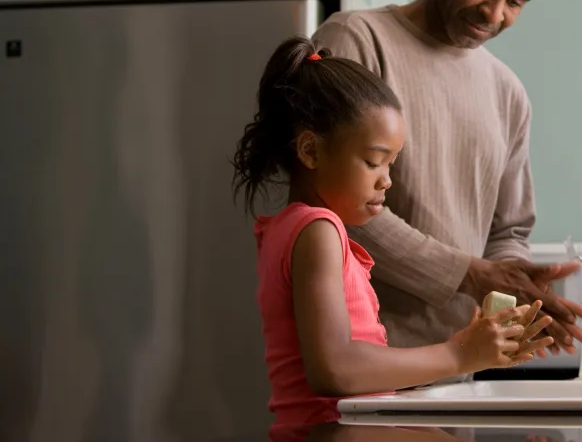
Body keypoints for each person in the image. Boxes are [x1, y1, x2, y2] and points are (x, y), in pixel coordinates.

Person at [312, 0, 582, 362]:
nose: (495, 13)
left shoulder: (508, 93)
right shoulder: (356, 41)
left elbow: (508, 229)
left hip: (457, 368)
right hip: (359, 364)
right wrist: (471, 274)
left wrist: (516, 281)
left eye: (516, 1)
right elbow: (334, 204)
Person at [231, 35, 553, 427]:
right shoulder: (318, 230)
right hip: (333, 431)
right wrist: (458, 354)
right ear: (310, 151)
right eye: (373, 162)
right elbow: (334, 369)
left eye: (391, 165)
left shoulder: (291, 228)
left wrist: (473, 347)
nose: (387, 181)